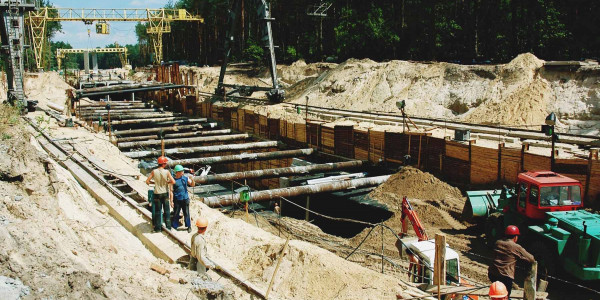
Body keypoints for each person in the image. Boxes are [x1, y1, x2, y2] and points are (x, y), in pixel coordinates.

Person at [488, 225, 536, 297]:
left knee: (497, 293)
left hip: (492, 274)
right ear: (515, 237)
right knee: (505, 295)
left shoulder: (497, 242)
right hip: (505, 277)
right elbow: (531, 259)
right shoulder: (515, 246)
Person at [146, 156, 175, 232]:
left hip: (157, 193)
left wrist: (154, 182)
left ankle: (158, 228)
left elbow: (147, 181)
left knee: (158, 211)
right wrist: (167, 182)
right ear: (164, 164)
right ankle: (168, 227)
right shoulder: (167, 172)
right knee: (167, 211)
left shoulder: (154, 171)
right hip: (165, 193)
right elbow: (173, 181)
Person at [171, 164, 195, 233]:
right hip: (177, 199)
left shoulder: (185, 178)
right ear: (177, 172)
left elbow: (192, 185)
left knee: (186, 213)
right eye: (181, 171)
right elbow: (171, 191)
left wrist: (192, 179)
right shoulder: (173, 180)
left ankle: (188, 226)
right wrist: (171, 201)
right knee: (176, 213)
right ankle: (175, 225)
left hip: (185, 199)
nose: (183, 172)